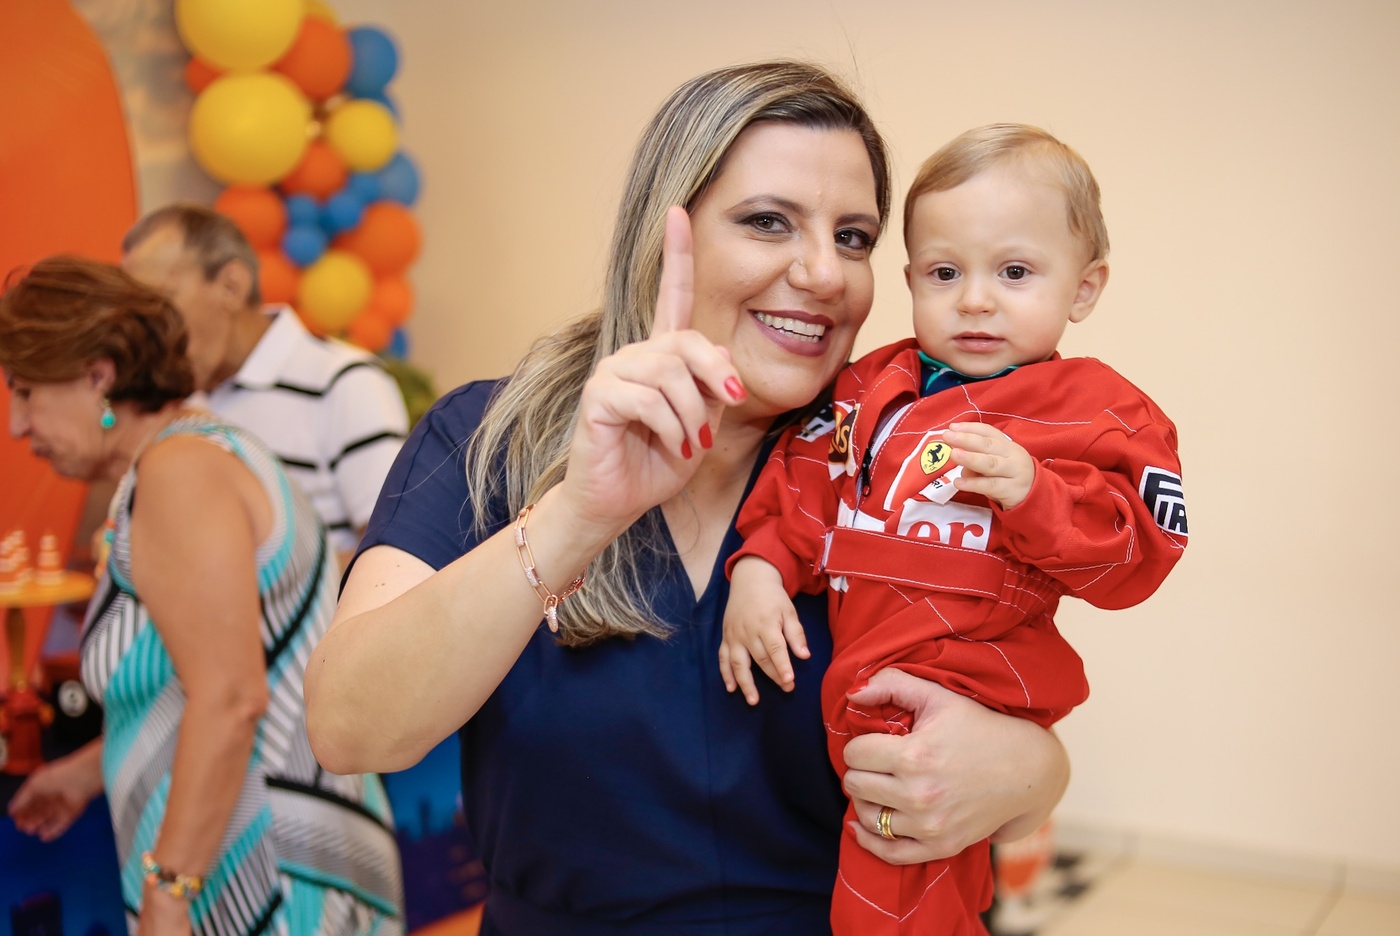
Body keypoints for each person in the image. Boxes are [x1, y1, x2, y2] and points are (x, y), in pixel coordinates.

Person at [304, 63, 1073, 935]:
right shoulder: (485, 438)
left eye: (854, 237)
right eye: (768, 221)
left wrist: (1030, 770)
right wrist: (577, 517)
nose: (825, 272)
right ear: (665, 234)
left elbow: (1014, 729)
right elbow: (349, 730)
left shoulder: (891, 461)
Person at [717, 124, 1189, 933]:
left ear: (1083, 289)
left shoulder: (1099, 414)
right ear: (910, 279)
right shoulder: (868, 388)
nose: (974, 300)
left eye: (1014, 272)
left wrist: (1036, 494)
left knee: (901, 876)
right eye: (944, 273)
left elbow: (1138, 555)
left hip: (961, 686)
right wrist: (762, 566)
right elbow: (804, 479)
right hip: (855, 673)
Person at [1, 257, 403, 936]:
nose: (16, 424)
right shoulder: (204, 451)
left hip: (258, 870)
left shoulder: (179, 473)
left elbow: (230, 698)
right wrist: (88, 771)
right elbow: (216, 677)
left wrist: (170, 889)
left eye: (26, 391)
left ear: (98, 376)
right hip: (283, 849)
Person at [120, 205, 409, 568]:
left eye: (160, 302)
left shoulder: (345, 381)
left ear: (232, 286)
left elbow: (397, 552)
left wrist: (250, 585)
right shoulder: (174, 394)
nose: (147, 329)